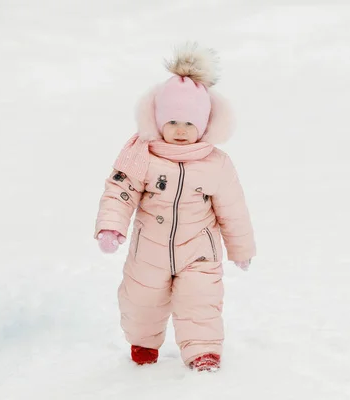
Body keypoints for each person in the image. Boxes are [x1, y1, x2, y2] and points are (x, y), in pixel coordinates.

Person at [94, 43, 256, 372]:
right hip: (148, 251)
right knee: (141, 300)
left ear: (205, 124)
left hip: (198, 251)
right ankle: (143, 342)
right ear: (157, 121)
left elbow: (233, 210)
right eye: (172, 122)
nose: (180, 131)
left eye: (189, 123)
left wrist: (241, 248)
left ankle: (203, 350)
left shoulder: (216, 164)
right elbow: (120, 190)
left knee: (200, 300)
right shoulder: (142, 155)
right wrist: (112, 226)